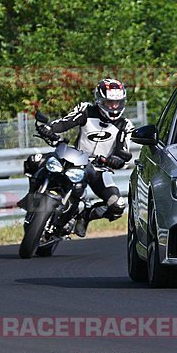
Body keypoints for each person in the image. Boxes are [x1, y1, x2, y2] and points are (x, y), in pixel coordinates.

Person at [21, 78, 133, 237]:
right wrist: (49, 129)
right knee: (34, 160)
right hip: (74, 158)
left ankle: (84, 216)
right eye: (109, 102)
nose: (114, 107)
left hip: (99, 168)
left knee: (117, 205)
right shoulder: (86, 110)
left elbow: (124, 150)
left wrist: (117, 159)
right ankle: (32, 198)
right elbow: (65, 122)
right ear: (100, 100)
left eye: (117, 102)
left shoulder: (125, 125)